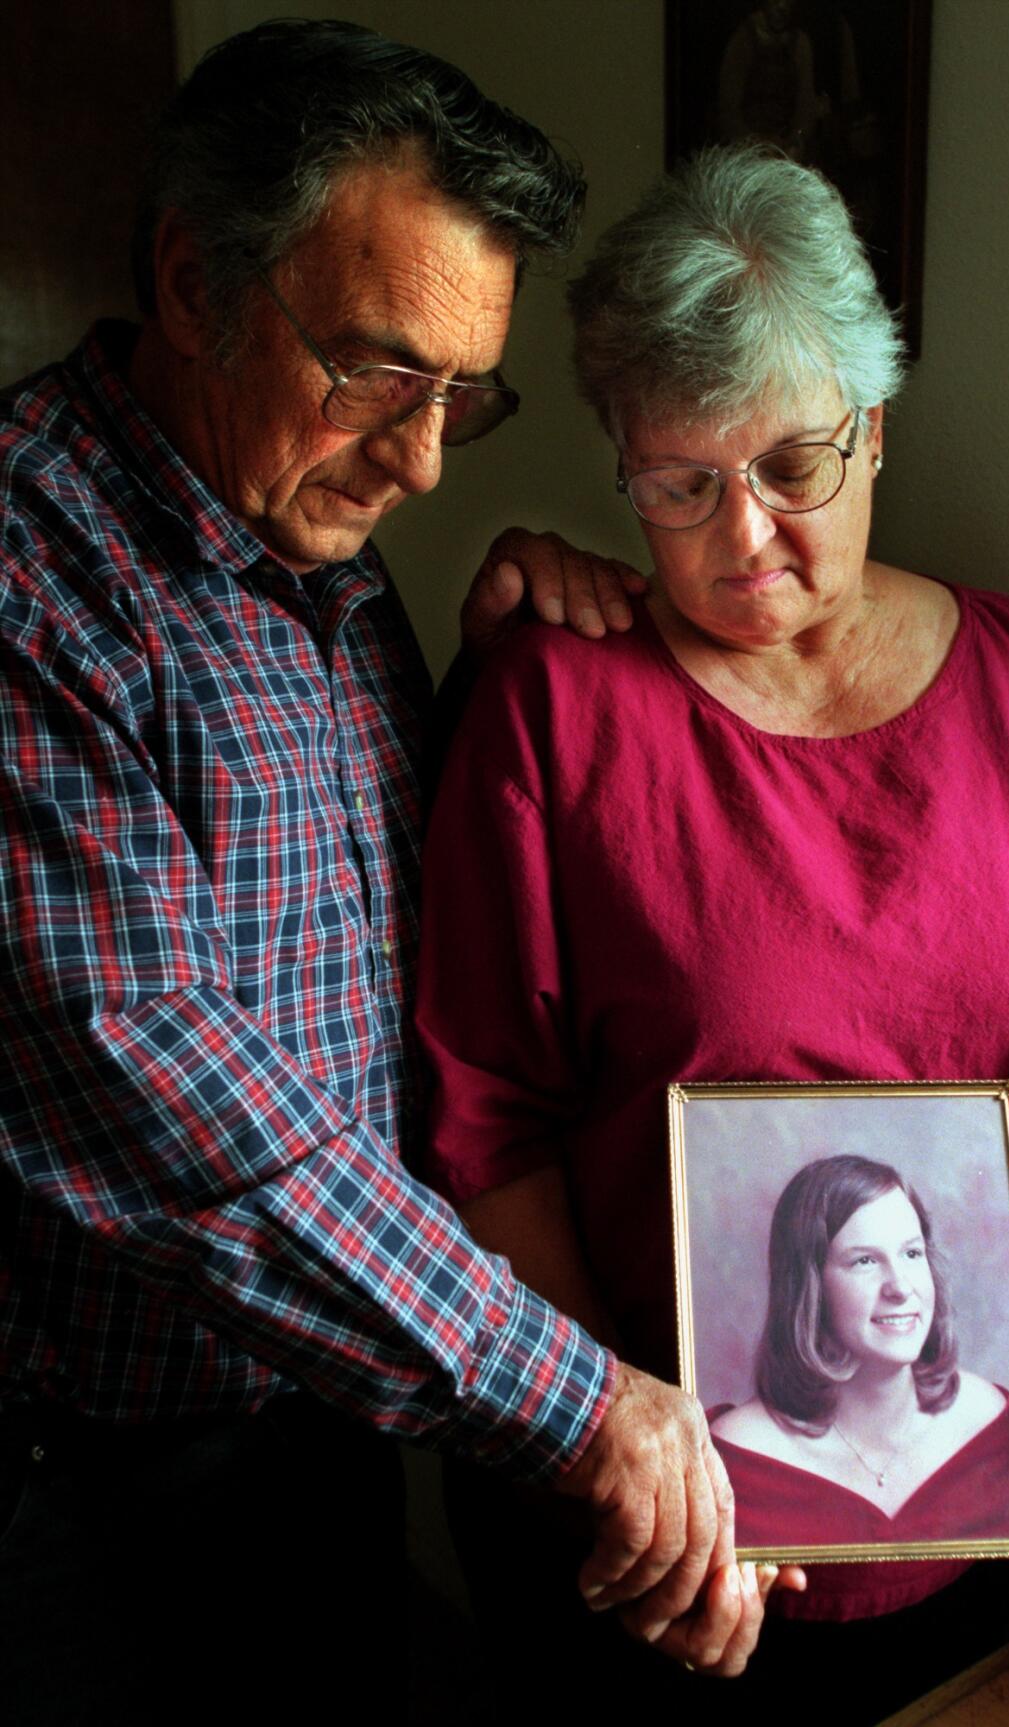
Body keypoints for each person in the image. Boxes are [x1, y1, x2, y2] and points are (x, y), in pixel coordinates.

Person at [0, 25, 776, 1721]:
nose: (422, 462)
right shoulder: (29, 576)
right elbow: (182, 1106)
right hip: (78, 1482)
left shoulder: (319, 550)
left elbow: (390, 929)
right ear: (195, 279)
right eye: (377, 373)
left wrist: (506, 661)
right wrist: (587, 1400)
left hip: (333, 1412)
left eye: (461, 398)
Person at [416, 142, 1009, 1717]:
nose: (746, 536)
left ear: (877, 422)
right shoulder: (554, 710)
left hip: (988, 1534)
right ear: (622, 465)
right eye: (682, 486)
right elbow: (480, 1125)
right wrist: (620, 1438)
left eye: (793, 466)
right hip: (655, 1549)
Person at [709, 1155, 1009, 1548]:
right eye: (864, 1261)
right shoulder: (736, 1457)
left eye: (912, 1254)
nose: (900, 1287)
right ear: (809, 1289)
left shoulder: (987, 1416)